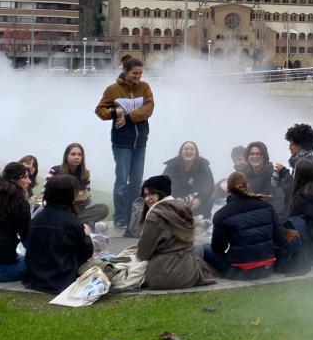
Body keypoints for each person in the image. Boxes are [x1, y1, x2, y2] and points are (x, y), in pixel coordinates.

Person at [95, 55, 154, 231]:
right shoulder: (113, 89)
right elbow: (100, 110)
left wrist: (128, 118)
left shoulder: (144, 87)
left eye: (140, 73)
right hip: (122, 142)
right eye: (135, 73)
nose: (138, 77)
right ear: (126, 72)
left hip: (140, 142)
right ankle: (120, 217)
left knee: (136, 182)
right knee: (121, 181)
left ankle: (134, 216)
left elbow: (149, 108)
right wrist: (115, 112)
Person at [135, 175, 214, 290]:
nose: (147, 199)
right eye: (145, 195)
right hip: (189, 272)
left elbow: (143, 253)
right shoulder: (183, 208)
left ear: (161, 193)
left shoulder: (155, 215)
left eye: (151, 194)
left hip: (163, 275)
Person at [203, 171, 284, 279]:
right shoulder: (267, 206)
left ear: (227, 190)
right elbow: (278, 237)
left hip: (239, 272)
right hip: (267, 268)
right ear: (248, 186)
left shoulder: (221, 215)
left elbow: (218, 248)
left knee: (204, 248)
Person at [23, 175, 93, 294]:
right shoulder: (72, 221)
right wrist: (86, 235)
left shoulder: (36, 219)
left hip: (35, 278)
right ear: (71, 195)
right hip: (62, 278)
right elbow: (86, 253)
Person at [48, 143, 110, 227]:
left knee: (103, 208)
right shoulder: (55, 170)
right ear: (66, 156)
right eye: (73, 154)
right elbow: (44, 193)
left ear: (82, 157)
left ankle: (74, 223)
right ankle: (79, 224)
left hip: (78, 212)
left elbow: (88, 200)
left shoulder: (85, 174)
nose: (76, 157)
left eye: (79, 155)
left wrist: (85, 197)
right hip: (59, 210)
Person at [163, 141, 215, 218]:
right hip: (176, 201)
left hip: (195, 202)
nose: (188, 151)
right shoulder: (171, 166)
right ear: (181, 152)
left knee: (210, 200)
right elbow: (164, 184)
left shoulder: (203, 166)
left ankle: (204, 223)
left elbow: (209, 185)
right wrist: (175, 198)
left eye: (192, 149)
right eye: (186, 149)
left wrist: (200, 199)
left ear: (196, 153)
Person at [274, 123, 313, 210]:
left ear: (302, 145)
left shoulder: (305, 164)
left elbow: (294, 190)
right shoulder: (304, 160)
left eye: (292, 144)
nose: (290, 148)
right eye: (289, 144)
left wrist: (283, 172)